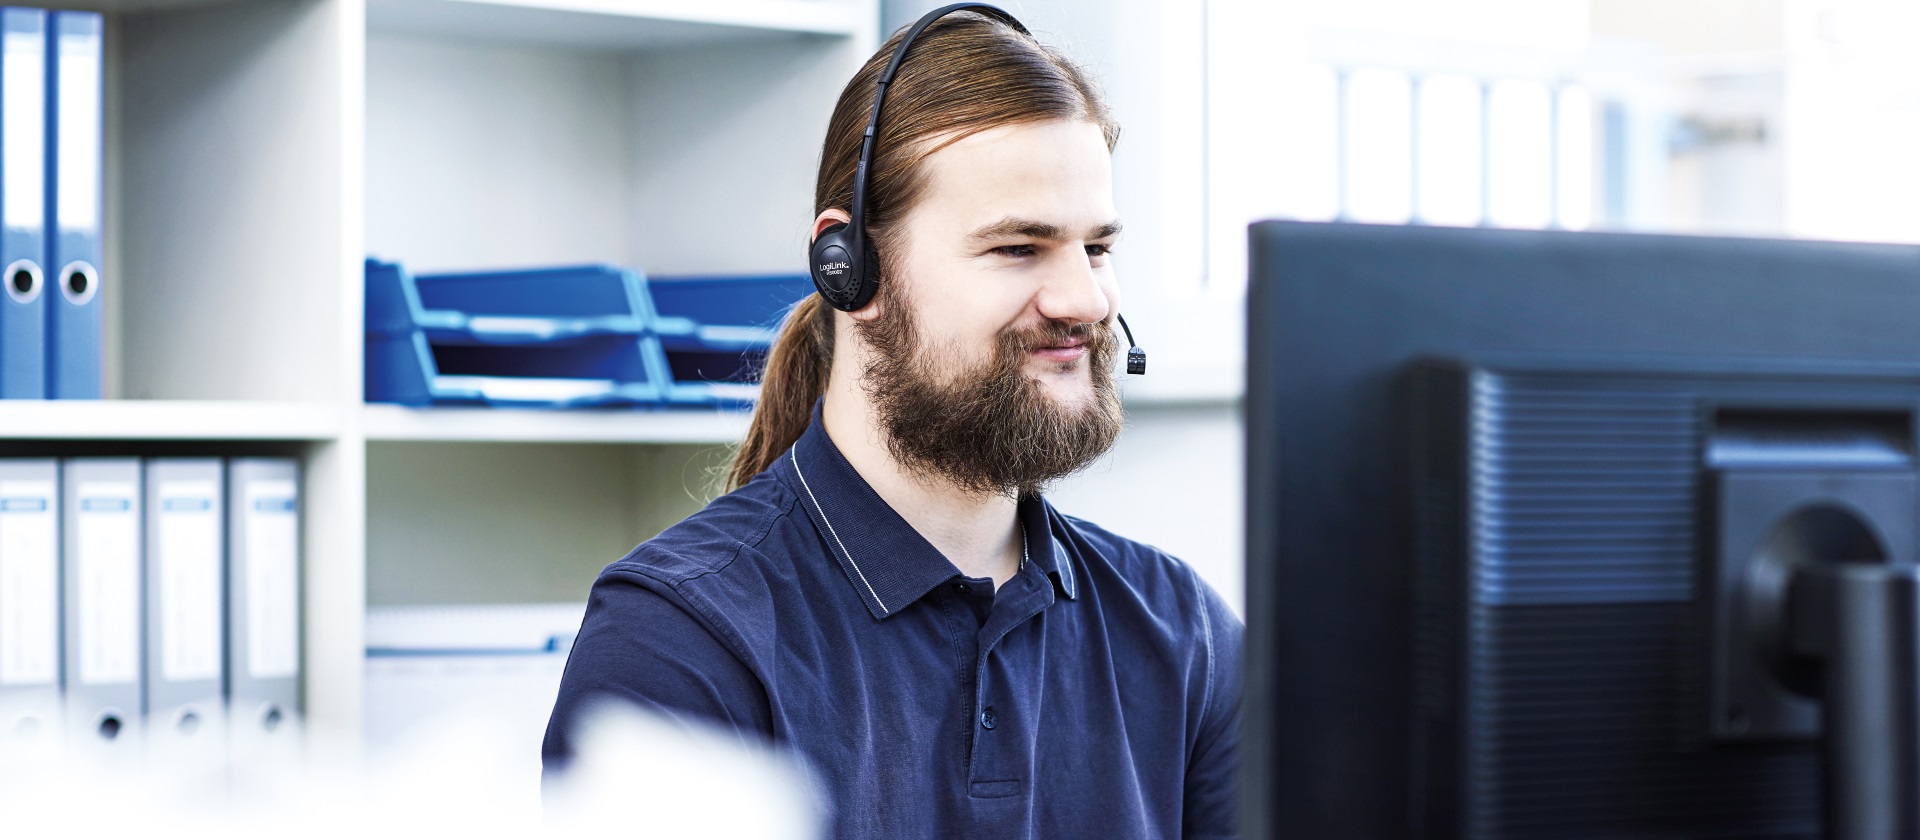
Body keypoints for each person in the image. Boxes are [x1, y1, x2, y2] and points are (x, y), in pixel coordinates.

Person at [543, 7, 1241, 838]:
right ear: (850, 269)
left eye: (1096, 249)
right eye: (1019, 247)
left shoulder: (1182, 631)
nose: (1085, 301)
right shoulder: (680, 640)